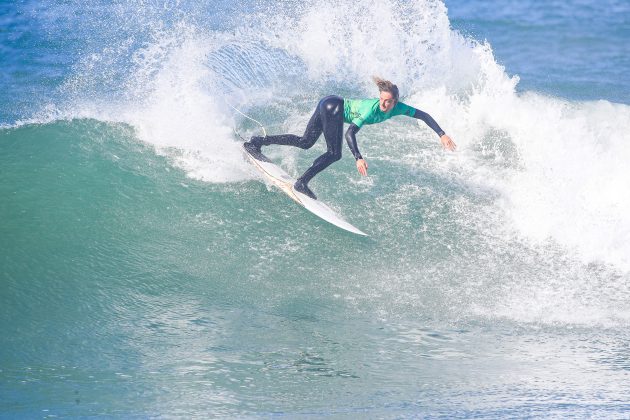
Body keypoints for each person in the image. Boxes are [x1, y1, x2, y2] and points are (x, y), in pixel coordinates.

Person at [243, 77, 457, 199]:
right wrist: (358, 157)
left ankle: (258, 142)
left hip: (328, 102)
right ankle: (301, 183)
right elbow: (350, 132)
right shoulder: (371, 110)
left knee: (305, 142)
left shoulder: (399, 108)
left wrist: (442, 134)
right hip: (334, 106)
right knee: (334, 154)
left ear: (395, 101)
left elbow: (423, 115)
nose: (384, 104)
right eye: (382, 100)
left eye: (388, 101)